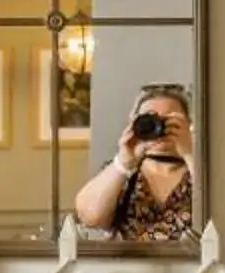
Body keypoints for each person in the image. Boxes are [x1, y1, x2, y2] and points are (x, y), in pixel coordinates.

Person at [72, 84, 199, 242]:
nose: (160, 126)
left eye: (170, 120)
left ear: (189, 124)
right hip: (130, 266)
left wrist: (191, 153)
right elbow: (89, 217)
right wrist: (123, 163)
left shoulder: (199, 171)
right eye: (149, 120)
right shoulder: (123, 174)